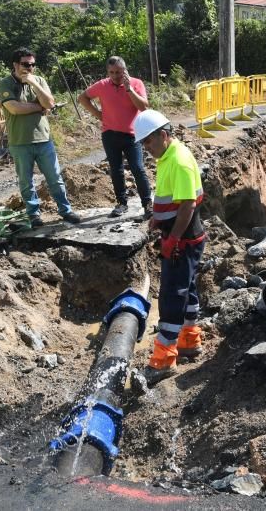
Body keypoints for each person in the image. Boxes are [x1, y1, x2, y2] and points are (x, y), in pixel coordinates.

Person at [133, 110, 206, 384]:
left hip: (183, 239)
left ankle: (164, 359)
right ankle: (189, 340)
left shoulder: (180, 160)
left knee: (172, 296)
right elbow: (173, 198)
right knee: (187, 288)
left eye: (148, 143)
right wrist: (158, 217)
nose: (146, 149)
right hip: (183, 237)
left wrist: (173, 239)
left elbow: (188, 205)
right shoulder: (168, 155)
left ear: (163, 135)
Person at [0, 48, 81, 227]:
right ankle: (34, 214)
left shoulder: (40, 80)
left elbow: (49, 103)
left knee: (55, 178)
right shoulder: (5, 83)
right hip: (20, 142)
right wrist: (38, 107)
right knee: (26, 182)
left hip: (44, 139)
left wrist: (34, 84)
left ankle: (65, 210)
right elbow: (14, 108)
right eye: (25, 64)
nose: (29, 68)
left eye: (33, 65)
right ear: (15, 65)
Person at [77, 56, 152, 219]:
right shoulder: (103, 85)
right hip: (110, 134)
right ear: (108, 72)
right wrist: (98, 114)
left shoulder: (136, 83)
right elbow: (82, 98)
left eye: (118, 72)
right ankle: (121, 203)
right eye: (112, 72)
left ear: (125, 70)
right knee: (116, 170)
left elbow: (143, 107)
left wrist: (129, 89)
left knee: (138, 169)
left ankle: (147, 205)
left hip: (132, 135)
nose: (115, 76)